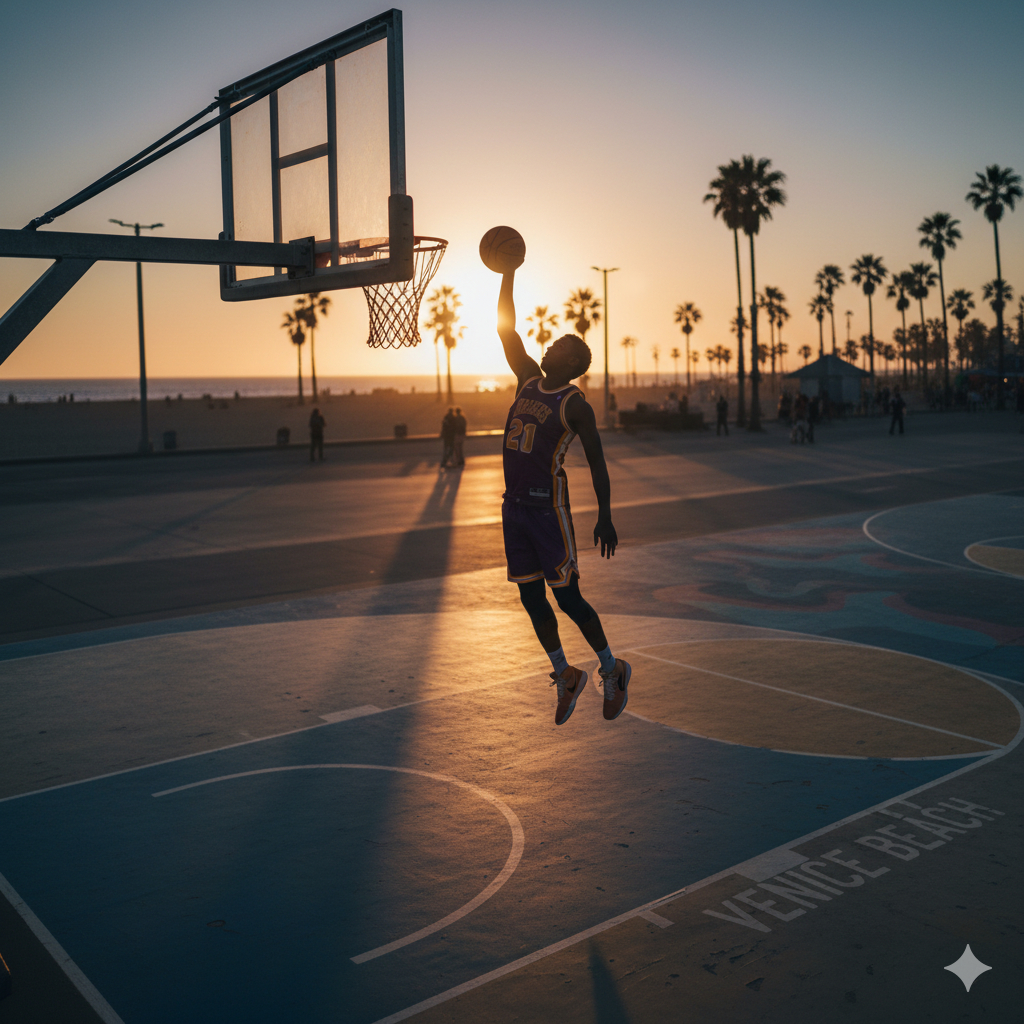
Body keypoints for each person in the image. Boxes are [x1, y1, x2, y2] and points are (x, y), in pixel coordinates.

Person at [496, 268, 631, 725]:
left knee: (567, 598)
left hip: (547, 510)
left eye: (561, 346)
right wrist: (508, 272)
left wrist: (605, 516)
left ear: (573, 364)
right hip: (513, 506)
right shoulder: (528, 379)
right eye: (553, 342)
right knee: (531, 599)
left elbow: (597, 461)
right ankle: (565, 673)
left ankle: (612, 670)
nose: (551, 344)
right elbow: (506, 328)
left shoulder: (576, 404)